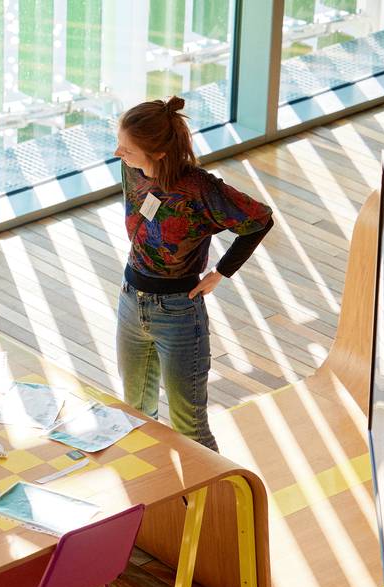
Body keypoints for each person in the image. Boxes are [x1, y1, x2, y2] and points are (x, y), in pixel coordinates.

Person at [114, 96, 274, 451]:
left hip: (178, 313)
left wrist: (221, 271)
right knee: (136, 416)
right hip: (130, 301)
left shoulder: (200, 189)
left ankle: (220, 488)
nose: (117, 153)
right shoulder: (131, 170)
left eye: (126, 148)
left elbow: (259, 220)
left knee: (190, 428)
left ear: (159, 153)